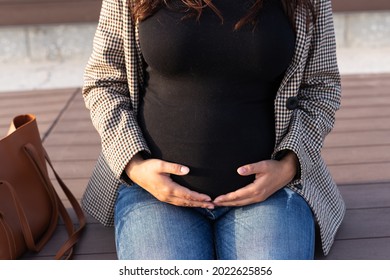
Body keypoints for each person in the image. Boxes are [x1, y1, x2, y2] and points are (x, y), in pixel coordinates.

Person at [81, 0, 345, 260]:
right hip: (153, 193)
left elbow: (321, 88)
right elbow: (104, 82)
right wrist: (136, 167)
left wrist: (288, 167)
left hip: (270, 193)